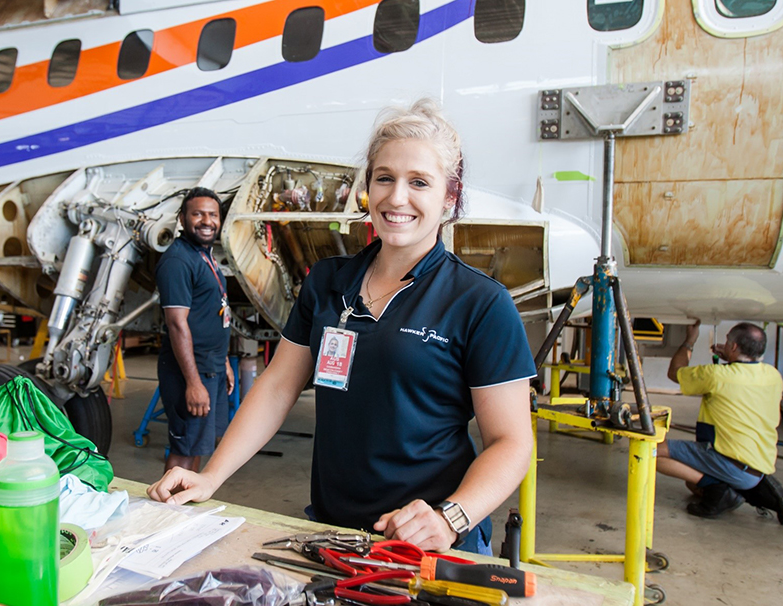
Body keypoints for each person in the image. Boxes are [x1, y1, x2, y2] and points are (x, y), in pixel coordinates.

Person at [149, 100, 536, 554]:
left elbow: (511, 443)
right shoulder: (329, 281)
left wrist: (452, 517)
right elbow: (277, 387)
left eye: (419, 183)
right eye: (385, 178)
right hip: (333, 534)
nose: (396, 198)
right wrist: (210, 474)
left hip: (432, 544)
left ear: (449, 196)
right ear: (367, 187)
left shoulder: (479, 302)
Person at [660, 320, 783, 524]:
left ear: (733, 346)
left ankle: (720, 489)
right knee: (692, 485)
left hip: (731, 462)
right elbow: (741, 376)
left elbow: (674, 372)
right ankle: (742, 487)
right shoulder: (773, 375)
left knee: (649, 453)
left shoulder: (717, 376)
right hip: (759, 464)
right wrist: (732, 360)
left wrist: (689, 341)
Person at [155, 187, 234, 473]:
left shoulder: (203, 254)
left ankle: (183, 505)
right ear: (182, 218)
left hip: (209, 364)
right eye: (198, 214)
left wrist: (223, 360)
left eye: (213, 215)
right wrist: (193, 383)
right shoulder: (178, 261)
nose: (206, 221)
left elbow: (211, 312)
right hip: (191, 368)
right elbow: (177, 324)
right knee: (184, 448)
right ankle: (168, 513)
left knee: (199, 444)